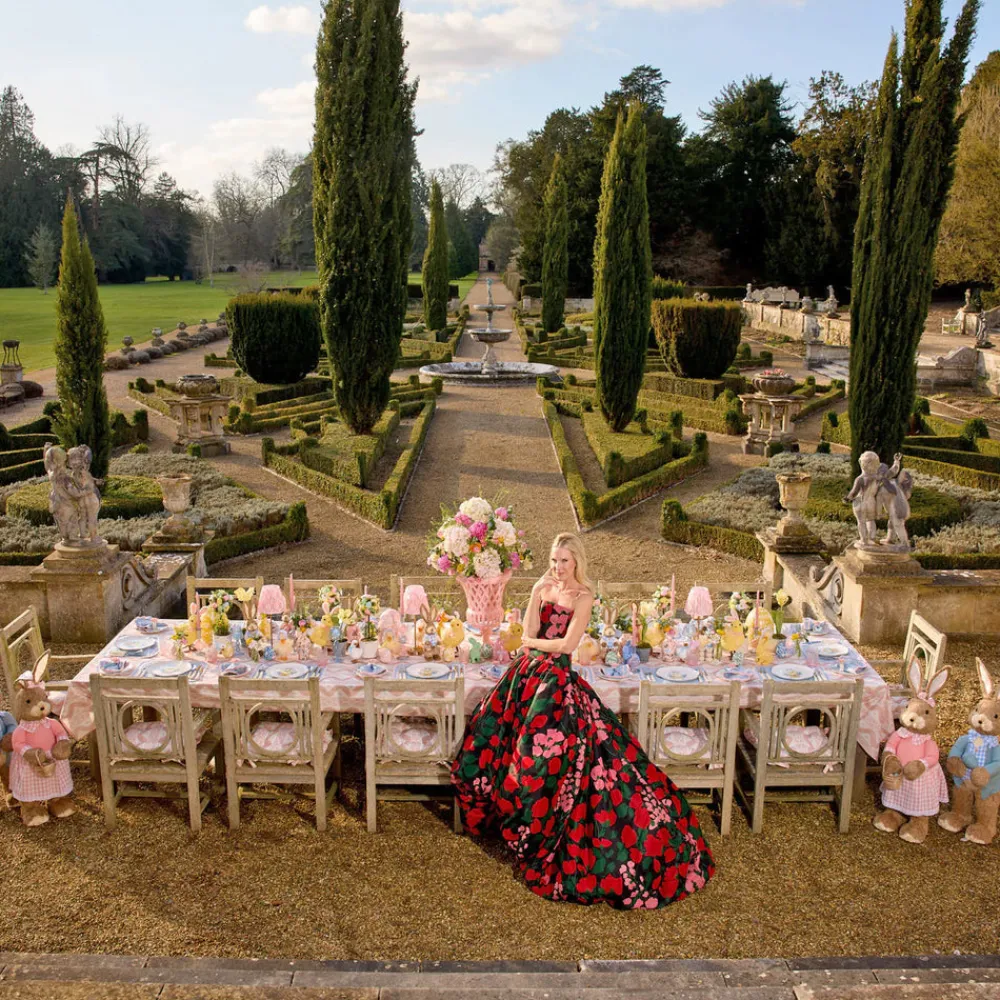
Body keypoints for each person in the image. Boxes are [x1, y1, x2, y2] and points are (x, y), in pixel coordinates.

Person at [451, 532, 715, 908]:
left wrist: (535, 644)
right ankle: (510, 820)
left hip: (555, 677)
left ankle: (543, 827)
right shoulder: (543, 588)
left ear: (577, 562)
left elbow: (566, 646)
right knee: (494, 736)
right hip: (526, 673)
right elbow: (527, 631)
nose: (558, 567)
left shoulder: (584, 597)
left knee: (546, 755)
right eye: (554, 560)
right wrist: (534, 598)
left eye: (564, 561)